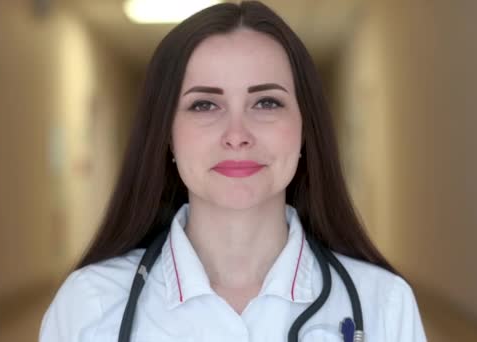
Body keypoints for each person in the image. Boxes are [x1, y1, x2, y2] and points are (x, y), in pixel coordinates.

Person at [39, 1, 427, 341]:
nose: (237, 135)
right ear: (167, 135)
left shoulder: (383, 305)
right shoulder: (90, 307)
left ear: (306, 129)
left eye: (267, 103)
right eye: (204, 105)